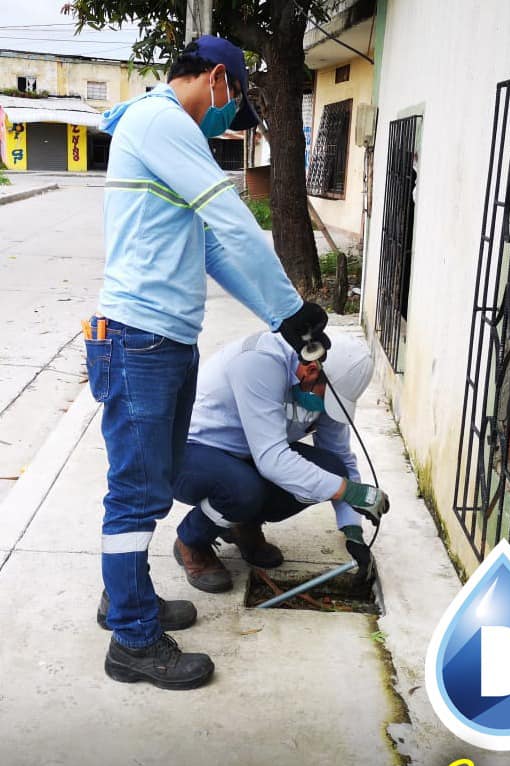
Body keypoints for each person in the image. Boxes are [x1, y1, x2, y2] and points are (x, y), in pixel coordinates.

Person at [84, 35, 330, 691]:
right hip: (138, 339)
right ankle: (133, 640)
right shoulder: (162, 122)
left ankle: (125, 597)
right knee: (136, 492)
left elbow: (214, 250)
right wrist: (292, 309)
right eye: (234, 105)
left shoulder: (168, 134)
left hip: (161, 340)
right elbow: (231, 220)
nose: (227, 121)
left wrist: (283, 317)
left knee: (153, 482)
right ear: (217, 78)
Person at [171, 331, 390, 592]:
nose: (325, 407)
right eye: (326, 398)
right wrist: (352, 492)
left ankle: (243, 524)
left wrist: (353, 530)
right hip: (190, 452)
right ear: (311, 370)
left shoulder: (324, 389)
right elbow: (272, 460)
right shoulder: (258, 362)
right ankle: (191, 541)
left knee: (331, 469)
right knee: (243, 489)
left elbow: (340, 457)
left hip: (248, 455)